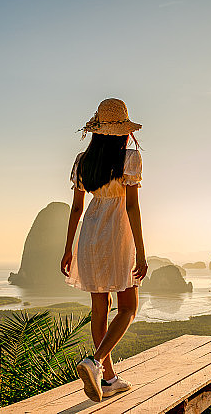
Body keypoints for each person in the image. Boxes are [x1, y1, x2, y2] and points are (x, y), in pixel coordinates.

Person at [60, 98, 149, 402]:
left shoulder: (83, 160)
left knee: (100, 310)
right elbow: (133, 208)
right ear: (124, 131)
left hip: (89, 234)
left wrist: (68, 250)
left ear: (97, 131)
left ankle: (108, 379)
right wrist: (141, 251)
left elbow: (75, 209)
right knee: (128, 308)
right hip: (117, 234)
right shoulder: (130, 159)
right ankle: (96, 363)